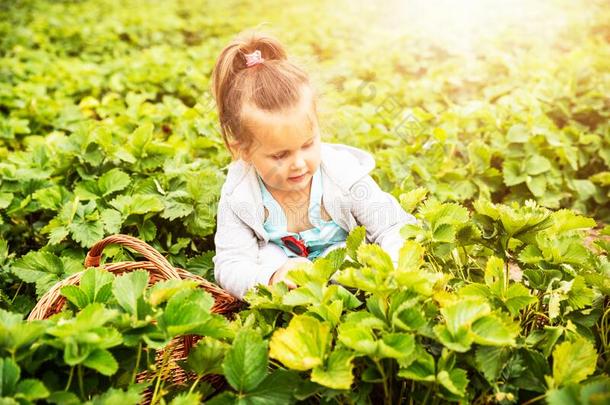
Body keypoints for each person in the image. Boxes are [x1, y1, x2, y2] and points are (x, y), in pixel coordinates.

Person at [210, 30, 417, 299]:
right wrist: (270, 278)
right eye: (280, 155)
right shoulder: (239, 195)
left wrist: (391, 271)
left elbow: (393, 227)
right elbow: (231, 263)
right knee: (267, 256)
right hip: (287, 287)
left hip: (349, 276)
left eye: (308, 145)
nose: (298, 163)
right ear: (244, 151)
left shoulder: (344, 177)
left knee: (349, 259)